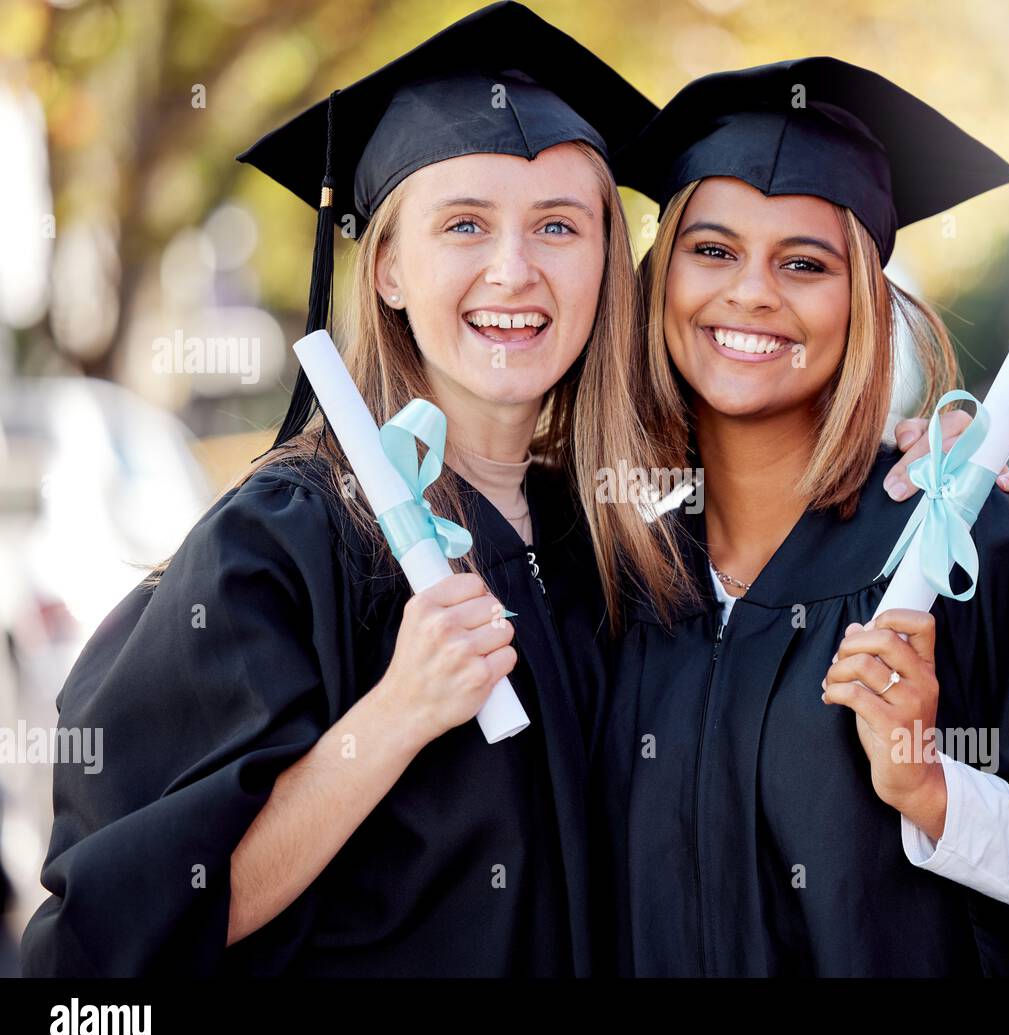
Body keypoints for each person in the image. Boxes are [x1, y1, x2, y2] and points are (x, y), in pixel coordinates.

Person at [586, 57, 1009, 977]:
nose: (752, 292)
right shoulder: (594, 565)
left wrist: (935, 792)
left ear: (864, 303)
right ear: (659, 276)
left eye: (805, 263)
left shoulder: (984, 559)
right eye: (712, 251)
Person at [21, 1, 655, 977]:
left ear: (606, 259)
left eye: (559, 226)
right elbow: (122, 940)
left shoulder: (616, 538)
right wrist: (397, 713)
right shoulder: (286, 543)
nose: (513, 269)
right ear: (390, 268)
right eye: (465, 224)